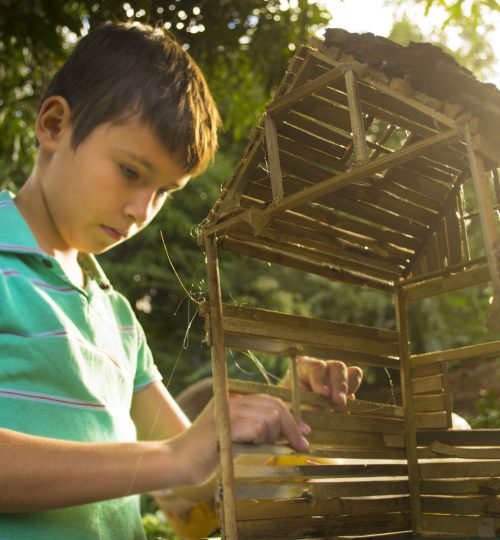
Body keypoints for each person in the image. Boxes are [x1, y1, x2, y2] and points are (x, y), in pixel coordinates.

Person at [0, 22, 363, 539]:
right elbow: (175, 458)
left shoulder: (118, 318)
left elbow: (194, 474)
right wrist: (175, 457)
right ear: (55, 125)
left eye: (164, 192)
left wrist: (283, 405)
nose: (140, 211)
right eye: (130, 172)